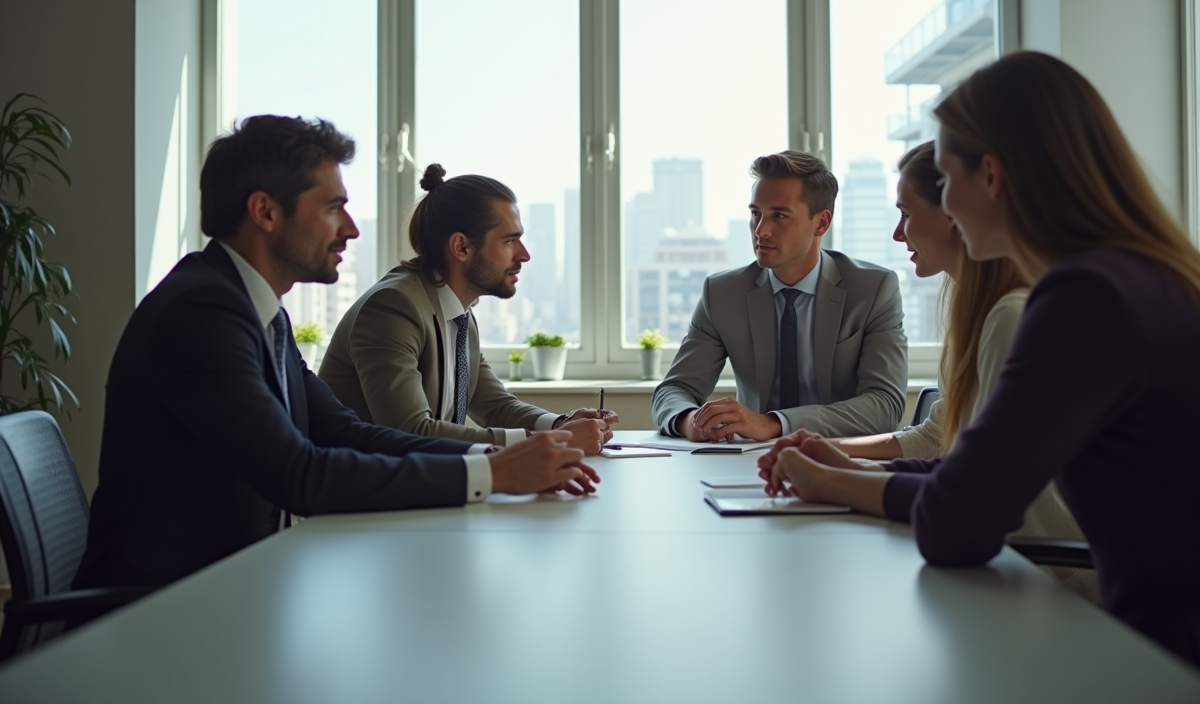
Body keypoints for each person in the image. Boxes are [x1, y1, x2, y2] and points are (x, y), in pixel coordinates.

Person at [759, 51, 1200, 666]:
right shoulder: (1141, 279)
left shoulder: (1082, 299)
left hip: (1150, 655)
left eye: (947, 177)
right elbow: (973, 472)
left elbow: (958, 520)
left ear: (990, 176)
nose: (945, 206)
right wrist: (844, 471)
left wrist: (826, 480)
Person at [74, 116, 599, 589]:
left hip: (238, 583)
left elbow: (345, 431)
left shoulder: (259, 311)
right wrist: (495, 474)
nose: (351, 229)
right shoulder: (201, 314)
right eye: (333, 208)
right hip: (164, 605)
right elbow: (298, 473)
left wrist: (498, 459)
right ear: (265, 212)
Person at [829, 141, 1096, 601]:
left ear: (952, 212)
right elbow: (942, 441)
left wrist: (839, 479)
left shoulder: (1013, 316)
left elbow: (971, 493)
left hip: (1051, 581)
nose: (898, 234)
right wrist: (836, 456)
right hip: (1012, 563)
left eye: (906, 214)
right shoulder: (976, 309)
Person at [319, 165, 617, 453]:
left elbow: (495, 405)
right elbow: (409, 431)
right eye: (510, 240)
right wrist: (551, 441)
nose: (524, 255)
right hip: (359, 497)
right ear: (461, 247)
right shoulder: (393, 308)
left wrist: (560, 424)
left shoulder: (458, 312)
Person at [651, 150, 907, 442]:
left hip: (840, 458)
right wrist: (690, 421)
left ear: (821, 223)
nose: (761, 230)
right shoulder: (722, 293)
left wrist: (774, 424)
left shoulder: (873, 289)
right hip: (748, 463)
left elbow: (885, 404)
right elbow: (674, 390)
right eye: (756, 214)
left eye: (779, 216)